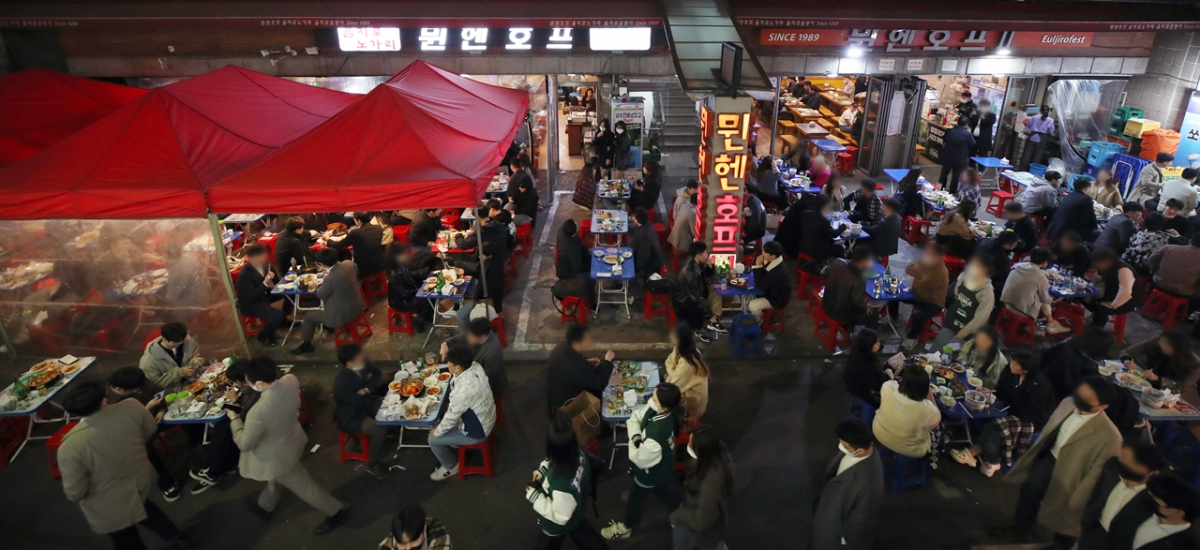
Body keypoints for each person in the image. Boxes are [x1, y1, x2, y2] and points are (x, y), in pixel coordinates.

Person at [58, 382, 187, 550]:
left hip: (108, 503)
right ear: (103, 399)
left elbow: (75, 492)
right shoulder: (131, 406)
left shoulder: (70, 447)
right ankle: (178, 539)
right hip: (141, 479)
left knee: (125, 537)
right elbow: (150, 429)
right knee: (147, 510)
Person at [231, 358, 347, 534]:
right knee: (277, 479)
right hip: (293, 439)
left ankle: (336, 512)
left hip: (279, 457)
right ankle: (264, 506)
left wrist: (234, 418)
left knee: (305, 487)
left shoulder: (257, 412)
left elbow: (244, 444)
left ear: (259, 383)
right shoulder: (290, 380)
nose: (247, 384)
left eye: (248, 382)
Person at [1007, 375, 1122, 549]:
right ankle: (1021, 528)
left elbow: (1097, 472)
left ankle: (1060, 546)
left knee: (1066, 517)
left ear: (1103, 406)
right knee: (1030, 491)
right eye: (1080, 393)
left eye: (1087, 398)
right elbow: (1051, 425)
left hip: (1072, 474)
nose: (1080, 399)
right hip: (1050, 457)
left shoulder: (1111, 436)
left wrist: (1080, 496)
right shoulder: (1068, 403)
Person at [950, 350, 1055, 476]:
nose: (1011, 364)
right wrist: (992, 392)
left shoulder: (1038, 387)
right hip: (1010, 407)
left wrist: (1006, 406)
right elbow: (1002, 389)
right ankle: (990, 459)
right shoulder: (1010, 372)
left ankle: (982, 457)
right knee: (987, 415)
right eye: (1012, 361)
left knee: (996, 426)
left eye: (1015, 364)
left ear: (1025, 370)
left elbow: (1029, 412)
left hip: (1029, 419)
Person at [601, 383, 684, 540]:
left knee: (636, 497)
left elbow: (639, 458)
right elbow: (635, 418)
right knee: (660, 487)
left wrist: (635, 441)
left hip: (651, 470)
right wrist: (637, 439)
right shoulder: (661, 411)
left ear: (664, 406)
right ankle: (680, 504)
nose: (651, 399)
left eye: (655, 398)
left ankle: (627, 527)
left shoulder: (658, 433)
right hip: (661, 466)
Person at [527, 415, 609, 550]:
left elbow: (560, 516)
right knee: (585, 536)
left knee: (547, 544)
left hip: (557, 526)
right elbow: (555, 460)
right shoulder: (579, 454)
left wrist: (535, 497)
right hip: (577, 511)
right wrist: (544, 469)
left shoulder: (560, 483)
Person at [105, 368, 182, 503]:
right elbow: (126, 427)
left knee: (184, 414)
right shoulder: (108, 402)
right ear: (118, 389)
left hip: (155, 419)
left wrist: (162, 409)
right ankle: (167, 484)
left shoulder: (137, 381)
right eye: (135, 390)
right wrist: (147, 408)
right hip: (132, 432)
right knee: (147, 451)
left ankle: (201, 445)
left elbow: (161, 391)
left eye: (139, 387)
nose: (139, 390)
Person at [1077, 441, 1167, 550]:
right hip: (1093, 533)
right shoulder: (1113, 468)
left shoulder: (1157, 497)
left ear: (1151, 471)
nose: (1122, 462)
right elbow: (1096, 497)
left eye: (1130, 462)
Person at [811, 419, 884, 550]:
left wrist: (845, 543)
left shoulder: (870, 484)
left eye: (844, 446)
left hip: (834, 535)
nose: (841, 446)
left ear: (860, 451)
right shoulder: (861, 447)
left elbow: (860, 523)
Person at [427, 344, 496, 481]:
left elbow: (451, 418)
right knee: (444, 418)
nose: (447, 364)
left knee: (433, 440)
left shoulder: (463, 391)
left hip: (477, 432)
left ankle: (450, 466)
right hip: (487, 417)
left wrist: (437, 432)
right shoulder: (476, 366)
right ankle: (453, 443)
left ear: (458, 368)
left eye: (449, 363)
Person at [290, 248, 366, 355]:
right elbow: (356, 273)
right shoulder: (349, 263)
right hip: (359, 304)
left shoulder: (331, 278)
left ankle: (306, 345)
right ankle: (325, 328)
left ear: (322, 264)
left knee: (308, 317)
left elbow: (319, 295)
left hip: (343, 314)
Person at [332, 342, 391, 479]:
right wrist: (377, 401)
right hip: (352, 416)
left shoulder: (361, 363)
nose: (363, 356)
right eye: (359, 355)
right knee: (379, 428)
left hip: (364, 401)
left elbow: (377, 373)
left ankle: (392, 428)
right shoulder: (341, 383)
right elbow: (357, 403)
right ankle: (372, 463)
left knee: (388, 406)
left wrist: (366, 389)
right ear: (349, 364)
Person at [671, 426, 734, 550]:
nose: (688, 445)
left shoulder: (710, 483)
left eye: (691, 443)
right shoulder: (716, 459)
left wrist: (677, 516)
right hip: (706, 526)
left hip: (702, 534)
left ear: (700, 450)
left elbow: (702, 520)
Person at [872, 365, 941, 459]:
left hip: (879, 432)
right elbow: (937, 418)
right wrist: (930, 394)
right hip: (908, 448)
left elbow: (894, 384)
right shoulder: (928, 409)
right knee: (938, 429)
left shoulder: (887, 388)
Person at [1121, 329, 1200, 410]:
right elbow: (1129, 351)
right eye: (1162, 342)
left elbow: (1180, 386)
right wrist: (1127, 361)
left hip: (1174, 399)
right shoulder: (1157, 342)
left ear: (1178, 348)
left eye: (1167, 345)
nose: (1162, 345)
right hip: (1147, 388)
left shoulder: (1194, 364)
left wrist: (1157, 378)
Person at [546, 324, 614, 418]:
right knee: (606, 396)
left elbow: (575, 365)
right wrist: (608, 361)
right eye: (587, 339)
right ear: (579, 342)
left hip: (557, 390)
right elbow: (600, 383)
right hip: (567, 402)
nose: (590, 342)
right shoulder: (574, 368)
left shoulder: (561, 346)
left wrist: (586, 362)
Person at [891, 242, 949, 350]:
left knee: (917, 315)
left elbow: (924, 284)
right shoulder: (926, 261)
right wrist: (921, 273)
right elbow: (908, 269)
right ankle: (894, 318)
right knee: (894, 293)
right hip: (918, 294)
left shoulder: (941, 272)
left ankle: (912, 338)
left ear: (937, 256)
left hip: (933, 302)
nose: (925, 254)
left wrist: (918, 270)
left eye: (929, 253)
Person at [1119, 473, 1200, 550]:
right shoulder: (1145, 510)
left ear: (1178, 513)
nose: (1151, 499)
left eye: (1156, 499)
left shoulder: (1186, 546)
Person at [930, 256, 995, 350]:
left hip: (971, 326)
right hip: (953, 319)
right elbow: (957, 293)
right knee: (938, 344)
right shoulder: (964, 276)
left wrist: (966, 331)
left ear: (985, 269)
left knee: (968, 352)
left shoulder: (987, 292)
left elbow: (981, 317)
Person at [1002, 247, 1072, 334]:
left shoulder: (1018, 266)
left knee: (1038, 295)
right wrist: (1052, 299)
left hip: (1006, 302)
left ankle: (1050, 324)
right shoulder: (1040, 277)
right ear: (1045, 263)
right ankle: (1050, 324)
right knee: (1044, 300)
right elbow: (1045, 299)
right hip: (1019, 309)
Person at [672, 241, 725, 342]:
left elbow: (708, 276)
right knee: (699, 306)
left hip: (694, 295)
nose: (707, 255)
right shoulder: (690, 272)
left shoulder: (696, 263)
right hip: (684, 303)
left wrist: (710, 266)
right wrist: (710, 316)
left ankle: (714, 319)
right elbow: (696, 298)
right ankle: (702, 328)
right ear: (698, 255)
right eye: (705, 253)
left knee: (716, 294)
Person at [235, 244, 285, 347]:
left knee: (289, 294)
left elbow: (274, 283)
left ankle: (283, 321)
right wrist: (265, 283)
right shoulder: (245, 274)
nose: (263, 259)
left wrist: (272, 283)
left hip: (263, 296)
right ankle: (264, 336)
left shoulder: (266, 266)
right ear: (251, 258)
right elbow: (252, 296)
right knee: (278, 315)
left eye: (263, 256)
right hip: (250, 304)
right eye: (259, 257)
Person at [443, 317, 506, 397]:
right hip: (472, 368)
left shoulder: (492, 352)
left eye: (471, 336)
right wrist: (445, 343)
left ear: (482, 336)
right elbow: (458, 338)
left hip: (488, 383)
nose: (468, 337)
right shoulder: (475, 331)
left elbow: (486, 378)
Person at [138, 322, 201, 393]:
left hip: (193, 383)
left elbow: (195, 354)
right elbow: (156, 383)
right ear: (164, 339)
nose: (180, 343)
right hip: (172, 393)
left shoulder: (186, 341)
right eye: (176, 342)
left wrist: (195, 361)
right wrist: (180, 372)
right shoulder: (149, 361)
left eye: (181, 341)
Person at [822, 246, 875, 330]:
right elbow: (857, 303)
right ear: (864, 261)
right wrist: (865, 308)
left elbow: (825, 276)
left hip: (826, 304)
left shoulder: (837, 261)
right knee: (873, 314)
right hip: (840, 314)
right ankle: (862, 334)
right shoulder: (859, 279)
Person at [665, 324, 710, 419]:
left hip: (693, 402)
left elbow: (674, 386)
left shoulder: (688, 364)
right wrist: (674, 374)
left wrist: (672, 374)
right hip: (682, 385)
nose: (671, 335)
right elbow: (668, 362)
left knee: (662, 401)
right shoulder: (681, 349)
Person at [1087, 247, 1139, 328]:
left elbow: (1126, 292)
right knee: (1085, 298)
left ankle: (1096, 330)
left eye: (1098, 263)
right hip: (1112, 294)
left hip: (1126, 302)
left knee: (1101, 309)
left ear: (1107, 261)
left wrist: (1113, 305)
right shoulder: (1107, 267)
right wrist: (1089, 292)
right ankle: (1093, 318)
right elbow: (1096, 280)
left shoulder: (1124, 270)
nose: (1097, 266)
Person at [387, 243, 432, 331]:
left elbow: (410, 276)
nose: (407, 255)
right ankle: (418, 320)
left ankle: (426, 315)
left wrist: (422, 272)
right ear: (397, 256)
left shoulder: (401, 265)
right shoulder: (394, 274)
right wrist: (418, 290)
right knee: (427, 299)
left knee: (431, 293)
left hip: (407, 292)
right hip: (400, 302)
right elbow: (402, 293)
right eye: (404, 254)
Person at [331, 212, 386, 279]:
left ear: (359, 221)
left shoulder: (356, 233)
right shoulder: (378, 228)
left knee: (345, 265)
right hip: (380, 263)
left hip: (364, 268)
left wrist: (328, 240)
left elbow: (339, 245)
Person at [843, 328, 889, 408]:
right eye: (876, 343)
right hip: (862, 391)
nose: (879, 344)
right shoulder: (863, 366)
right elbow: (878, 384)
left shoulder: (860, 350)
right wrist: (889, 376)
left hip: (857, 383)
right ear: (869, 345)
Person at [747, 240, 791, 322]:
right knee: (751, 295)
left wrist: (758, 265)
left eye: (766, 252)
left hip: (777, 299)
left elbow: (760, 285)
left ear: (773, 256)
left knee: (753, 305)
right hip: (771, 291)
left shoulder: (778, 271)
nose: (763, 253)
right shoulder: (774, 260)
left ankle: (757, 322)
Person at [1150, 232, 1200, 301]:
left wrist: (1155, 271)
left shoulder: (1169, 248)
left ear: (1190, 240)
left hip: (1158, 284)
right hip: (1182, 293)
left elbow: (1152, 259)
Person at [1047, 177, 1100, 242]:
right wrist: (1097, 226)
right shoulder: (1086, 199)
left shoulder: (1068, 196)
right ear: (1086, 188)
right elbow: (1092, 219)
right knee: (1099, 232)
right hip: (1067, 233)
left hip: (1054, 229)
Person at [378, 505, 452, 550]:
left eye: (413, 541)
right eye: (402, 544)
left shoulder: (439, 537)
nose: (408, 548)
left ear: (424, 530)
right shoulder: (385, 547)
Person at [799, 194, 848, 262]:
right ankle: (840, 265)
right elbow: (834, 234)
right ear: (825, 206)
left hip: (804, 245)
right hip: (817, 250)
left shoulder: (805, 213)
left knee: (831, 241)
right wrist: (844, 226)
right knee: (839, 248)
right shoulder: (824, 221)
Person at [630, 207, 665, 300]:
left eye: (634, 217)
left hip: (651, 266)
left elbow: (643, 257)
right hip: (654, 260)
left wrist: (635, 268)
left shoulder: (643, 235)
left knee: (630, 276)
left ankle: (634, 295)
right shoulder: (647, 225)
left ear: (637, 220)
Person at [939, 118, 975, 194]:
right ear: (966, 124)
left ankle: (940, 189)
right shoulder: (967, 134)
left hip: (947, 156)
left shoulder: (949, 131)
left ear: (957, 122)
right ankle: (952, 192)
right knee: (956, 176)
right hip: (960, 158)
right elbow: (973, 144)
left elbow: (944, 139)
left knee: (944, 173)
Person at [1021, 105, 1055, 170]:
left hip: (1032, 138)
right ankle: (1032, 172)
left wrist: (1022, 132)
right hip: (1042, 140)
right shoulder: (1050, 120)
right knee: (1037, 158)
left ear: (1040, 111)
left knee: (1027, 156)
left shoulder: (1033, 117)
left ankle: (1022, 170)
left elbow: (1028, 127)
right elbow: (1051, 131)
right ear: (1048, 111)